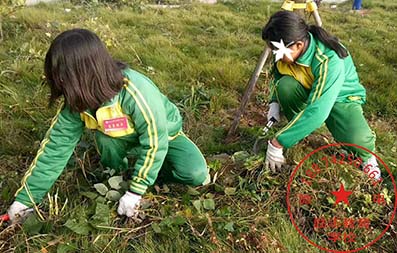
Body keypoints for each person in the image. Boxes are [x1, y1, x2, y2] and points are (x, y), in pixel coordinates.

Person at [7, 28, 209, 223]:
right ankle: (119, 174)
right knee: (106, 138)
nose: (59, 82)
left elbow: (156, 142)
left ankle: (145, 174)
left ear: (85, 72)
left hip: (165, 136)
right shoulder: (76, 102)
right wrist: (24, 200)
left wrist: (136, 191)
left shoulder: (136, 91)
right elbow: (54, 150)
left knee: (195, 173)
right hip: (119, 138)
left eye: (64, 76)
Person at [261, 11, 380, 179]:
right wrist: (274, 102)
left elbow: (318, 110)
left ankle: (368, 159)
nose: (275, 55)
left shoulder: (328, 59)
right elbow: (279, 75)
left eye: (276, 50)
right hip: (310, 89)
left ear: (299, 45)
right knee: (286, 86)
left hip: (341, 97)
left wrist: (278, 142)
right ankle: (299, 132)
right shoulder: (284, 51)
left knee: (357, 139)